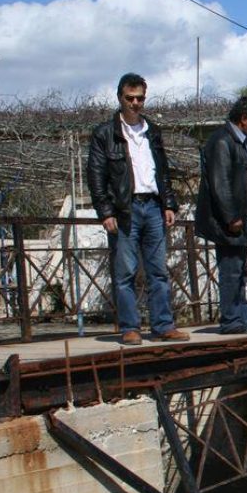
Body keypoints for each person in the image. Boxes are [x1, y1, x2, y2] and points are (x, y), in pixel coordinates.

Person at [87, 72, 190, 345]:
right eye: (130, 98)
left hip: (153, 206)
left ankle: (163, 325)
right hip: (125, 209)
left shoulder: (151, 131)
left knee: (158, 270)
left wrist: (168, 202)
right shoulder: (105, 134)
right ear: (120, 98)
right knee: (125, 272)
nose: (135, 103)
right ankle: (130, 327)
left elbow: (163, 169)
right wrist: (105, 212)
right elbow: (96, 175)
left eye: (140, 98)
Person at [194, 96, 247, 334]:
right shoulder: (222, 141)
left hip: (245, 217)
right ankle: (231, 320)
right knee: (231, 269)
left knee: (240, 270)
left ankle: (243, 315)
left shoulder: (244, 142)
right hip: (232, 220)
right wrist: (231, 217)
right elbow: (220, 183)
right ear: (243, 119)